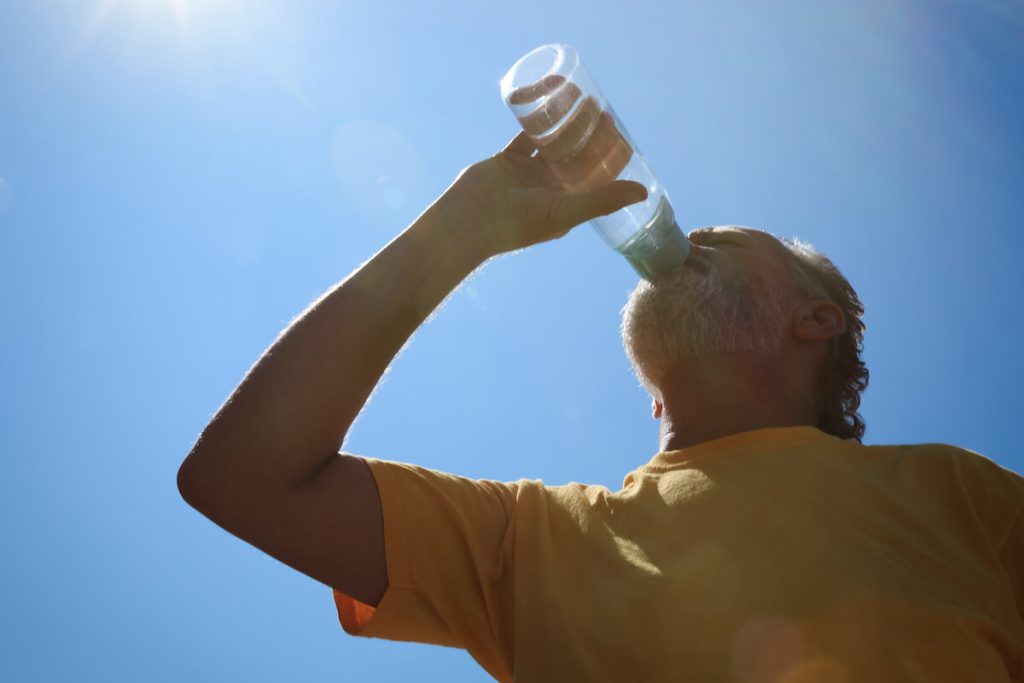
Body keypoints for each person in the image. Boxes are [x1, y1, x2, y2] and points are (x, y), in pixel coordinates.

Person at [177, 132, 1024, 681]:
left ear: (816, 319)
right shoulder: (531, 538)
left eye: (718, 245)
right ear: (655, 397)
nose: (682, 240)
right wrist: (463, 225)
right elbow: (243, 476)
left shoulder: (962, 493)